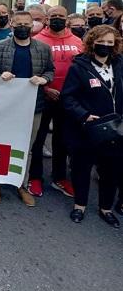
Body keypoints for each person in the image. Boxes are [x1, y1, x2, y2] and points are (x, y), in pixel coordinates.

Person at [0, 11, 55, 207]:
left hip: (33, 107)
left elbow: (50, 70)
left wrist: (44, 79)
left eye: (26, 24)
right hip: (4, 107)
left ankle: (20, 184)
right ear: (12, 25)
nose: (22, 27)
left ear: (32, 26)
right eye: (18, 24)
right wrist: (0, 75)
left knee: (27, 147)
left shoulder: (43, 48)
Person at [62, 25, 123, 227]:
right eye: (101, 42)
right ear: (92, 43)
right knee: (82, 168)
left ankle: (106, 208)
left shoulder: (120, 65)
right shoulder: (79, 67)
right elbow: (68, 97)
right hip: (88, 129)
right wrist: (84, 115)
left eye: (109, 42)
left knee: (111, 171)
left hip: (116, 130)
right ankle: (80, 205)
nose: (105, 46)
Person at [28, 6, 81, 198]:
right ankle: (35, 177)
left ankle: (59, 177)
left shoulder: (78, 42)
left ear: (67, 20)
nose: (57, 19)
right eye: (53, 16)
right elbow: (32, 70)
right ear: (47, 19)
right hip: (44, 96)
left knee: (63, 140)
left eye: (61, 16)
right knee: (39, 139)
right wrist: (46, 89)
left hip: (68, 99)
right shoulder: (37, 41)